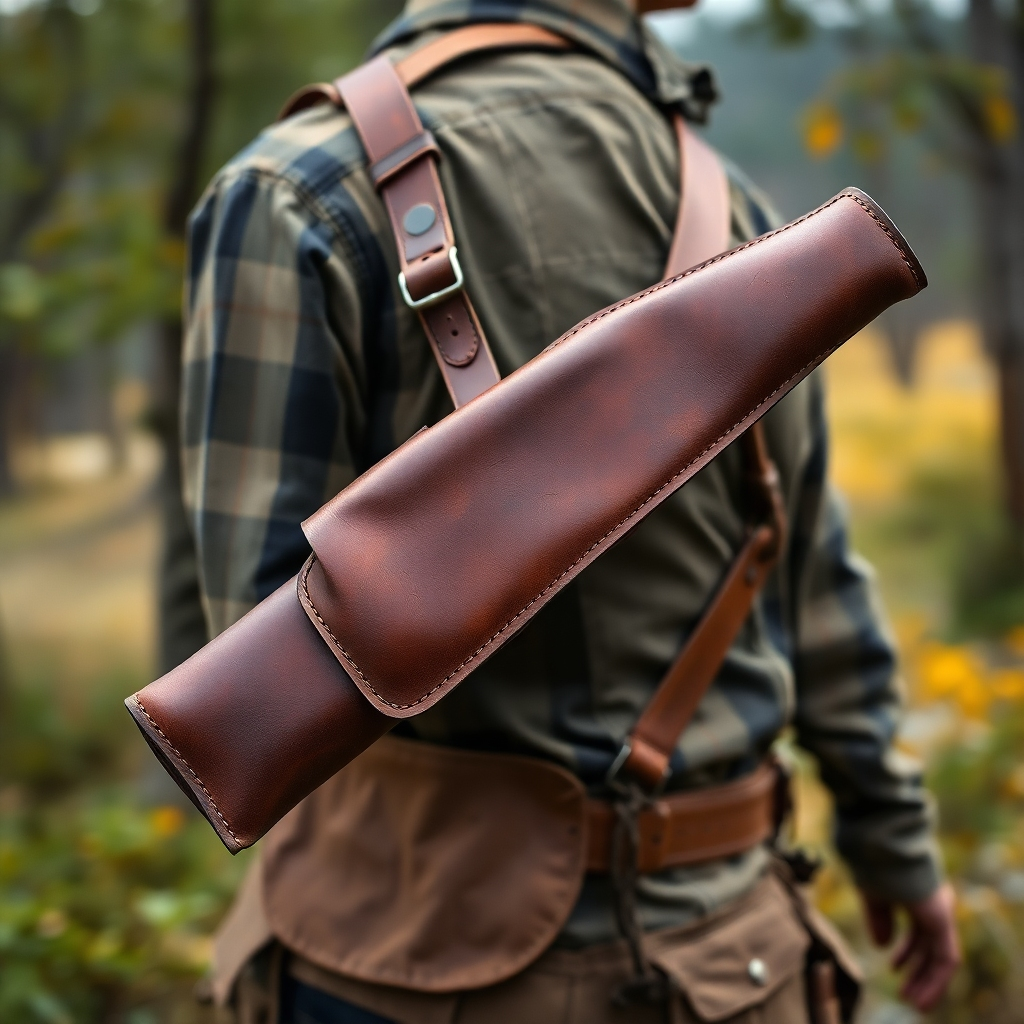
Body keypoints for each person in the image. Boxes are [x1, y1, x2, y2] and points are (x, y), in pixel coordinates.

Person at [180, 1, 960, 1021]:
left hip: (401, 960)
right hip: (731, 960)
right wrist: (895, 845)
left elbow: (259, 643)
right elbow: (809, 573)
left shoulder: (288, 189)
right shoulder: (751, 221)